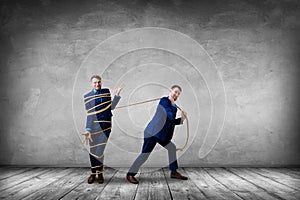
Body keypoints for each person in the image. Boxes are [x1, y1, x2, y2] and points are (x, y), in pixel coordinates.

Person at [126, 85, 188, 184]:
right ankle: (130, 174)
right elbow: (169, 115)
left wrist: (182, 119)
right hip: (152, 132)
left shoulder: (173, 107)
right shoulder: (164, 101)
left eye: (178, 94)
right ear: (170, 90)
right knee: (145, 154)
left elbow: (170, 122)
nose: (176, 95)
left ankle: (174, 172)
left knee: (171, 148)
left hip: (161, 135)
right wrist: (172, 104)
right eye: (175, 92)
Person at [82, 75, 122, 184]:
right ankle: (93, 173)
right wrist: (88, 129)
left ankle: (99, 173)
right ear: (91, 84)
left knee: (99, 151)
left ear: (101, 82)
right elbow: (89, 115)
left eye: (99, 82)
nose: (97, 84)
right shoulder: (87, 96)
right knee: (92, 151)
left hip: (105, 127)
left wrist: (117, 96)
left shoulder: (106, 92)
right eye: (95, 83)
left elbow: (111, 107)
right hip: (93, 128)